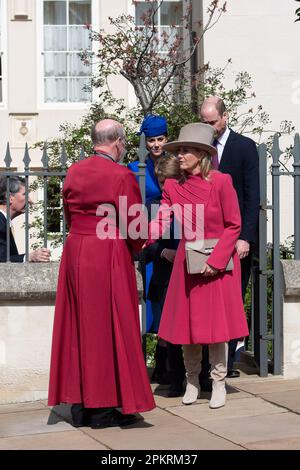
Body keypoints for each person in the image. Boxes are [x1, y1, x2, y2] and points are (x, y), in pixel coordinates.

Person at [48, 119, 155, 429]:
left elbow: (69, 216)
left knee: (79, 329)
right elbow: (136, 230)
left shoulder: (73, 171)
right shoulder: (121, 175)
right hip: (107, 253)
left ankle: (80, 404)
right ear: (119, 142)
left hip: (76, 252)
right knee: (111, 330)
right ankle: (105, 409)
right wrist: (140, 242)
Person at [146, 123, 249, 409]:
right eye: (179, 150)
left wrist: (216, 261)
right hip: (187, 265)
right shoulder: (172, 186)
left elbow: (234, 225)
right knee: (187, 329)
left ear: (202, 155)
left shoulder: (222, 182)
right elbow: (161, 219)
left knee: (216, 330)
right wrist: (141, 236)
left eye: (186, 150)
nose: (180, 155)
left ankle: (217, 383)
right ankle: (191, 382)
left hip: (218, 265)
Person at [200, 96, 260, 378]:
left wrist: (245, 236)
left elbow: (252, 195)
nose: (209, 127)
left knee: (232, 300)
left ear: (225, 117)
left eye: (212, 122)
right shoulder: (199, 149)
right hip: (206, 238)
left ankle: (230, 360)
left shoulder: (245, 147)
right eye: (204, 122)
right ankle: (207, 364)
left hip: (237, 239)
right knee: (207, 302)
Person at [128, 114, 170, 383]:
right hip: (141, 239)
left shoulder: (175, 164)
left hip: (167, 237)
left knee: (165, 300)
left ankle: (166, 366)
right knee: (143, 302)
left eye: (160, 139)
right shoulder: (134, 167)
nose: (156, 145)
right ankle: (139, 366)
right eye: (151, 140)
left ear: (167, 138)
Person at [144, 155, 186, 397]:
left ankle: (199, 376)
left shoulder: (190, 204)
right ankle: (173, 379)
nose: (164, 188)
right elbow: (146, 247)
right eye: (161, 183)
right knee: (167, 332)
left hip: (184, 274)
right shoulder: (152, 206)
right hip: (163, 275)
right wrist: (162, 251)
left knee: (188, 331)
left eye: (168, 182)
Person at [0, 176, 50, 263]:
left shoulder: (4, 221)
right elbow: (2, 258)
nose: (30, 200)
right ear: (9, 197)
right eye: (25, 195)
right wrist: (29, 257)